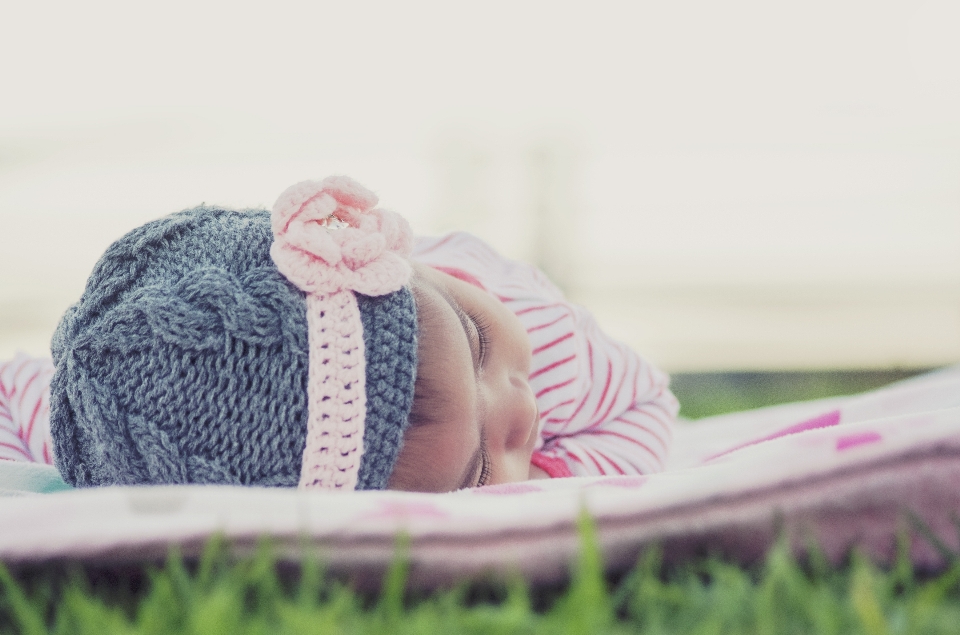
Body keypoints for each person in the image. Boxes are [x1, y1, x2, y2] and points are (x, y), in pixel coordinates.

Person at [0, 176, 677, 492]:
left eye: (477, 344)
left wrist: (553, 478)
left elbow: (648, 403)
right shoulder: (90, 415)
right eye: (477, 470)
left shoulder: (538, 337)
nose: (520, 410)